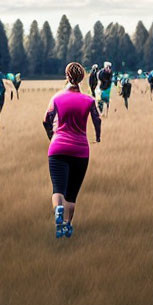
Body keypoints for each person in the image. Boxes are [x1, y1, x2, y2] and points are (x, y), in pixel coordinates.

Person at [44, 62, 101, 239]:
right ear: (82, 78)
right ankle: (67, 225)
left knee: (58, 189)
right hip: (80, 150)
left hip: (57, 148)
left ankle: (58, 213)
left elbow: (46, 120)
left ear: (66, 76)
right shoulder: (89, 100)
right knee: (72, 193)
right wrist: (98, 137)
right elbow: (97, 119)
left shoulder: (56, 98)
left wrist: (52, 136)